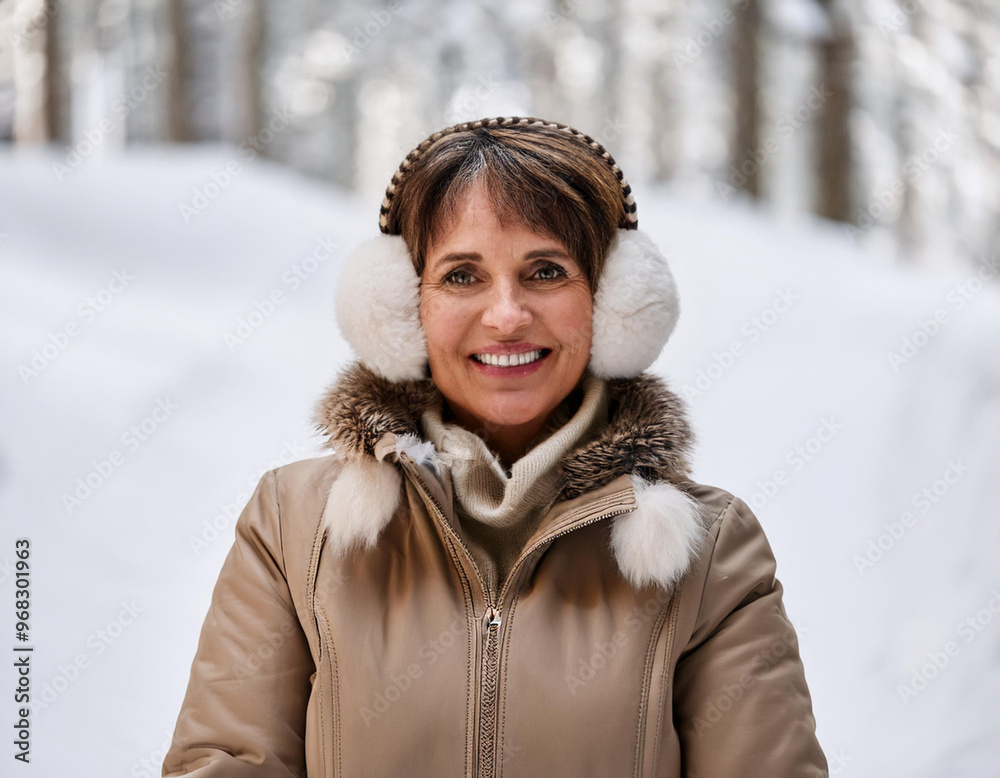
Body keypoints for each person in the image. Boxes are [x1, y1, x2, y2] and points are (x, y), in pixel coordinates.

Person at [162, 116, 828, 777]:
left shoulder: (710, 551)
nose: (506, 314)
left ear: (614, 301)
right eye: (460, 276)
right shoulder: (295, 525)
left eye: (545, 271)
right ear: (399, 306)